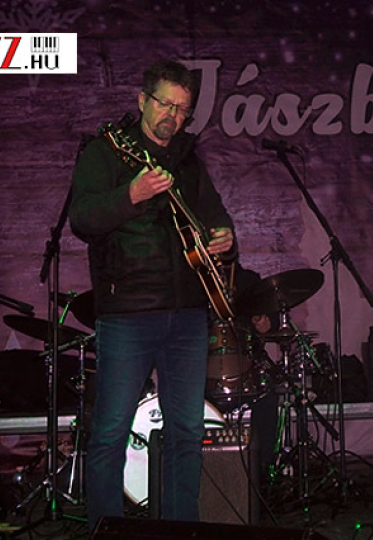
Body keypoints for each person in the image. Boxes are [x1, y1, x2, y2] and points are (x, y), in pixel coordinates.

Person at [70, 59, 236, 531]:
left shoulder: (187, 160)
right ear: (142, 101)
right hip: (128, 312)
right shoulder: (105, 152)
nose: (173, 116)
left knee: (187, 432)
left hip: (187, 314)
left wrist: (224, 237)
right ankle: (107, 530)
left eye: (182, 110)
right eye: (165, 104)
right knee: (110, 432)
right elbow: (82, 218)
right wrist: (132, 194)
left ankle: (181, 527)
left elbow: (216, 216)